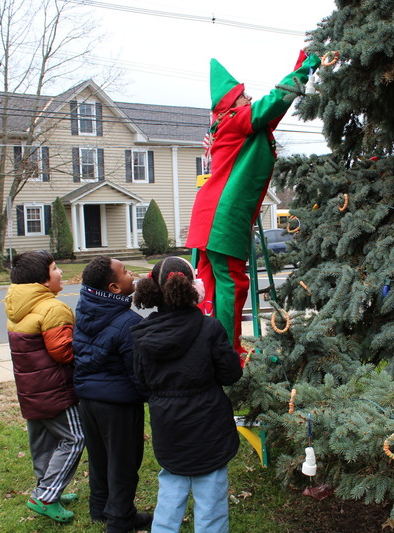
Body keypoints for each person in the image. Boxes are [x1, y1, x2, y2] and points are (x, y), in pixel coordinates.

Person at [185, 50, 321, 359]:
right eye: (244, 95)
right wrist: (303, 72)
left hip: (209, 214)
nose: (249, 98)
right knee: (231, 284)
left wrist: (300, 68)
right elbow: (272, 102)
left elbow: (273, 111)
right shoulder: (235, 120)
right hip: (223, 215)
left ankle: (208, 348)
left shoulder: (234, 125)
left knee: (209, 284)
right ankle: (228, 354)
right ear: (232, 104)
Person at [131, 256, 243, 533]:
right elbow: (230, 374)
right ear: (193, 287)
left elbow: (142, 382)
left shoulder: (143, 334)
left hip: (168, 423)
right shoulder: (210, 328)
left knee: (171, 484)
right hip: (210, 424)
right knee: (211, 496)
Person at [72, 257, 153, 532]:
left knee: (99, 456)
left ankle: (100, 507)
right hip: (118, 405)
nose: (132, 275)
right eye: (126, 272)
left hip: (88, 401)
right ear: (114, 287)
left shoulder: (85, 308)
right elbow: (138, 372)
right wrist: (148, 396)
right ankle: (120, 520)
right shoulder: (128, 322)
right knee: (124, 461)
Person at [4, 250, 84, 523]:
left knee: (43, 442)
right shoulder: (53, 308)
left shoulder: (16, 305)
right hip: (55, 390)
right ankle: (46, 495)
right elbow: (64, 353)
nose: (60, 272)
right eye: (55, 268)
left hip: (30, 389)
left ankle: (49, 488)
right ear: (42, 280)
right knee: (75, 438)